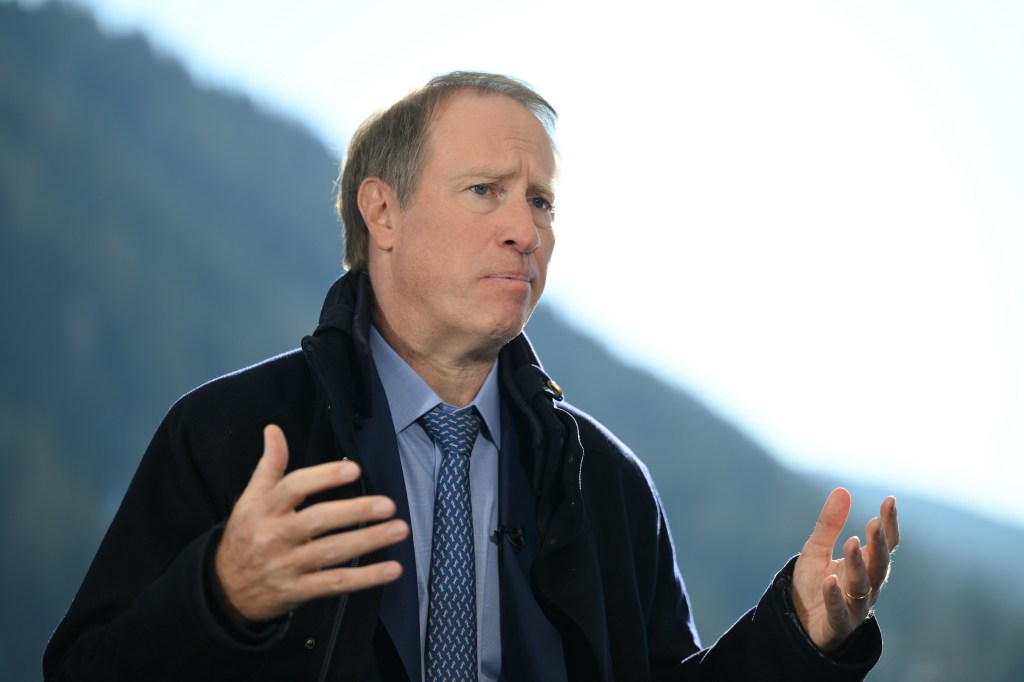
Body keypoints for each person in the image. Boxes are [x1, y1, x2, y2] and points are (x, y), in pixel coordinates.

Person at [44, 71, 899, 681]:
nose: (526, 231)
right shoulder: (225, 437)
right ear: (382, 211)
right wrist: (219, 597)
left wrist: (797, 640)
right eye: (487, 190)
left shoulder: (607, 484)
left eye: (542, 201)